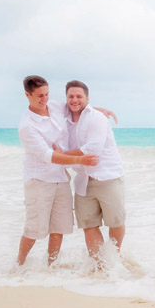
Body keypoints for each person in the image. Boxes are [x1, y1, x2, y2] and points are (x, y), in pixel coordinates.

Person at [17, 75, 98, 266]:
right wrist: (79, 159)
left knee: (59, 226)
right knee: (34, 228)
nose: (44, 99)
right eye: (39, 96)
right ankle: (18, 265)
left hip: (61, 178)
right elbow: (48, 155)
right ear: (27, 95)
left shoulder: (53, 106)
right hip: (39, 180)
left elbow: (77, 108)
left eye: (46, 94)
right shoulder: (27, 126)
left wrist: (99, 112)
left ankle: (50, 266)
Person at [59, 80, 126, 269]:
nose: (74, 100)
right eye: (71, 96)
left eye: (79, 96)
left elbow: (92, 149)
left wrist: (60, 155)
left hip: (108, 177)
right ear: (66, 99)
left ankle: (115, 257)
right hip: (82, 181)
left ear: (87, 99)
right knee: (89, 225)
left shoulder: (96, 118)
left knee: (116, 222)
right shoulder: (64, 123)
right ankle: (100, 265)